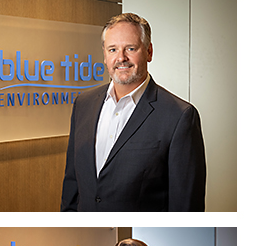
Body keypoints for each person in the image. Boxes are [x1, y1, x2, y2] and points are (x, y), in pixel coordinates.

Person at [61, 13, 206, 211]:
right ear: (104, 54)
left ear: (149, 52)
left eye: (130, 48)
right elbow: (72, 183)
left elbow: (186, 206)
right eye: (113, 49)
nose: (121, 58)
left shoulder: (179, 116)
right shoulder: (83, 104)